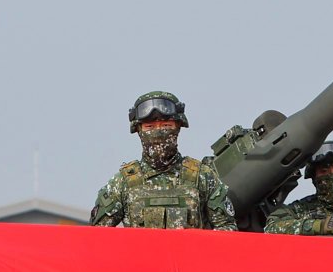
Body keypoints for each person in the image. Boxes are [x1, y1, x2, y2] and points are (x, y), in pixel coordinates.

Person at [89, 91, 237, 233]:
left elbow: (227, 233)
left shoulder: (202, 177)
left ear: (178, 127)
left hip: (190, 258)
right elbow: (96, 237)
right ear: (139, 130)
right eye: (150, 127)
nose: (158, 132)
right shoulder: (123, 183)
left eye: (166, 126)